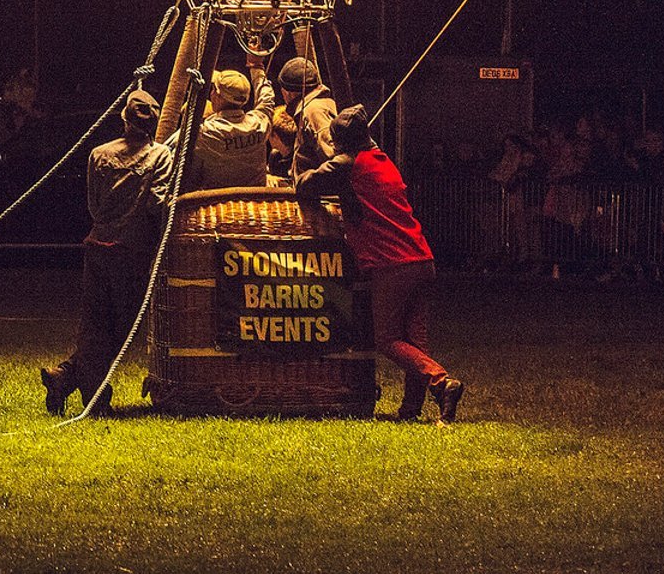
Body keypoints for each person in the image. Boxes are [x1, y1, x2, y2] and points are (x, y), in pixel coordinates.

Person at [296, 104, 466, 422]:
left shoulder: (347, 163)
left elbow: (305, 184)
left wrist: (306, 151)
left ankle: (442, 383)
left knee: (387, 339)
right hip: (421, 258)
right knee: (415, 340)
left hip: (392, 264)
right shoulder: (381, 160)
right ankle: (410, 410)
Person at [41, 89, 175, 416]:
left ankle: (66, 376)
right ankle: (94, 398)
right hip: (132, 250)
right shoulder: (160, 157)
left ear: (124, 119)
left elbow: (93, 203)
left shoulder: (99, 154)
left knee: (95, 324)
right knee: (121, 328)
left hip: (98, 244)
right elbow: (158, 203)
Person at [186, 63, 275, 192]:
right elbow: (267, 97)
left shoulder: (206, 132)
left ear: (217, 96)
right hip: (256, 200)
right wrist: (256, 66)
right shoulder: (259, 123)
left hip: (217, 205)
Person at [269, 56, 338, 180]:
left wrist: (306, 182)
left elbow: (333, 157)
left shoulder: (313, 111)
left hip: (321, 196)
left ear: (287, 92)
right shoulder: (324, 103)